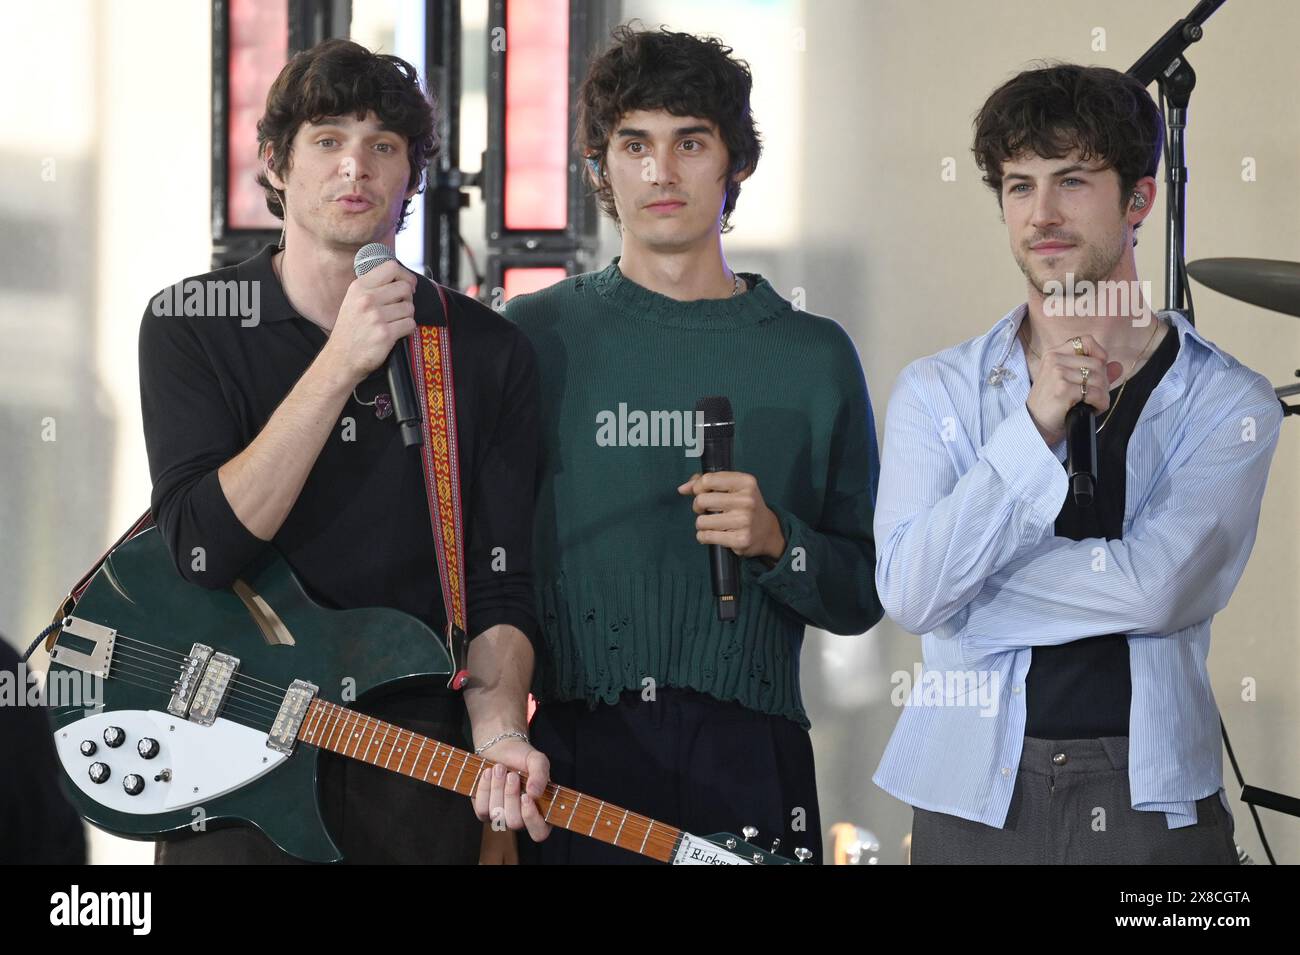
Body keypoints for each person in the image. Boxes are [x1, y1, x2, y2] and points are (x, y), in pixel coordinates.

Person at [139, 38, 545, 864]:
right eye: (327, 139)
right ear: (276, 165)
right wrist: (340, 362)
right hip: (232, 751)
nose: (354, 166)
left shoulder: (482, 350)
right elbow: (204, 546)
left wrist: (499, 734)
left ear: (409, 180)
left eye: (383, 146)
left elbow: (500, 585)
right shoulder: (192, 323)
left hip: (410, 759)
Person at [872, 63, 1282, 864]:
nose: (1043, 214)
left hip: (1152, 792)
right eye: (1019, 186)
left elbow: (1159, 589)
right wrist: (1033, 426)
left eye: (1073, 180)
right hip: (972, 788)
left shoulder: (1230, 402)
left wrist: (967, 599)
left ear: (1139, 200)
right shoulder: (938, 391)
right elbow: (911, 592)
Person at [505, 25, 884, 865]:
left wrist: (779, 542)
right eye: (633, 144)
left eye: (690, 142)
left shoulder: (813, 355)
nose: (661, 172)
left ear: (734, 162)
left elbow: (864, 592)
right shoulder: (536, 335)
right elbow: (485, 564)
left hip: (752, 753)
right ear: (601, 166)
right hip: (572, 752)